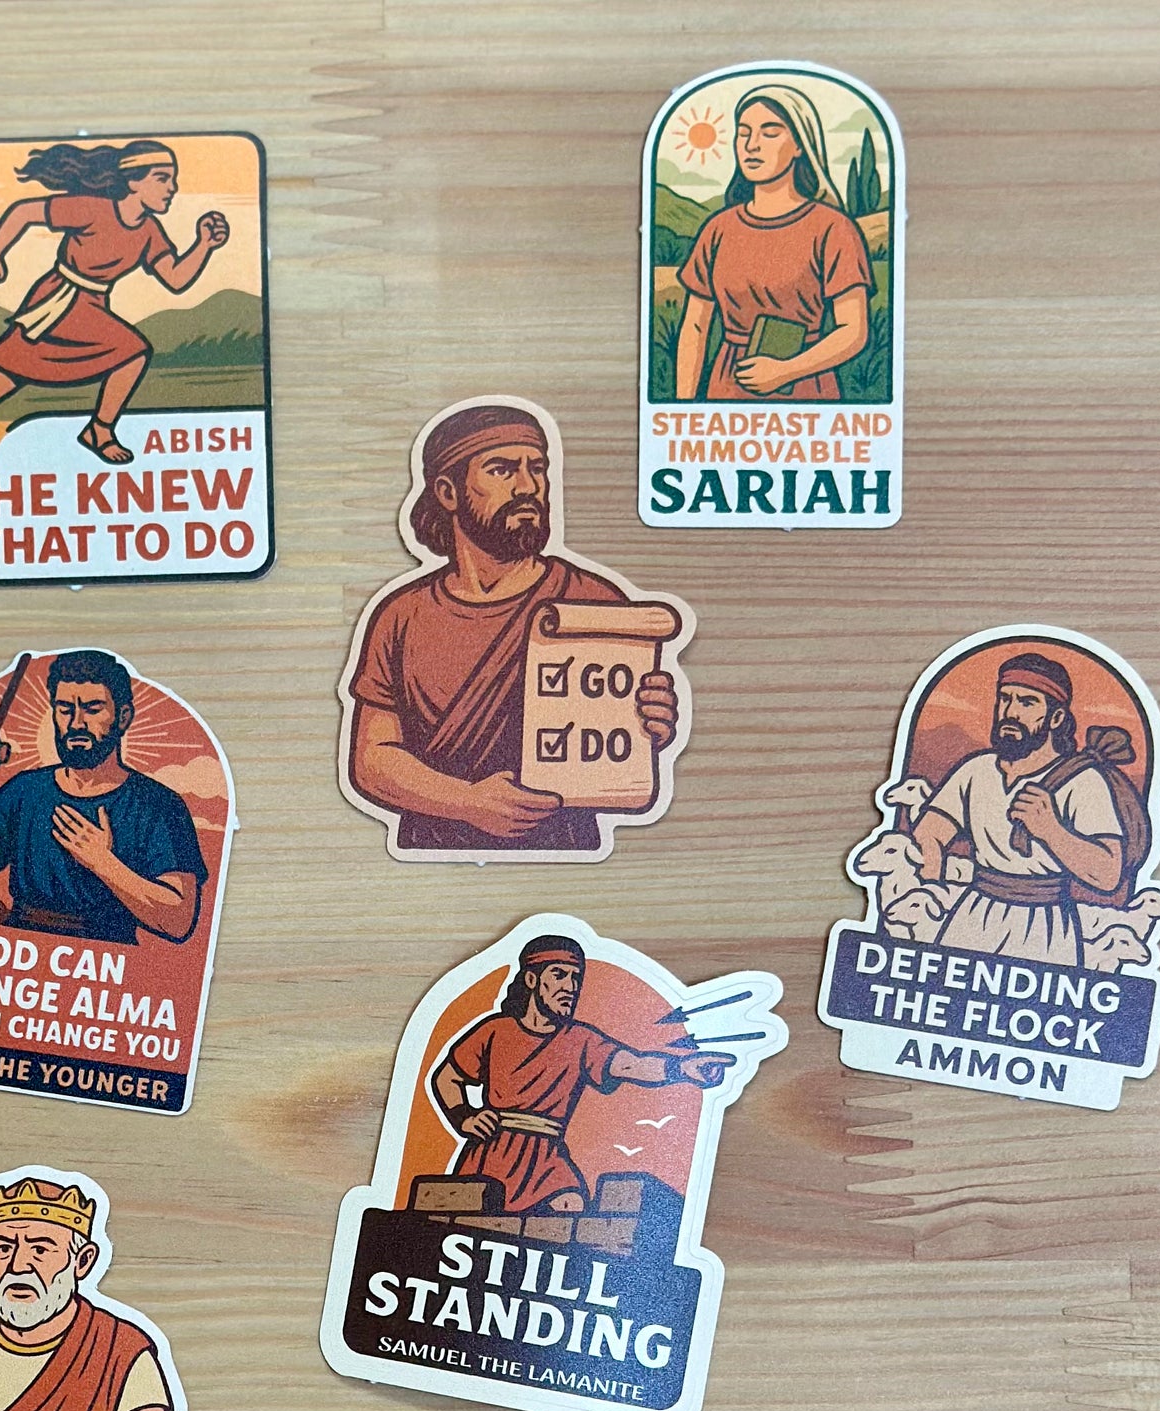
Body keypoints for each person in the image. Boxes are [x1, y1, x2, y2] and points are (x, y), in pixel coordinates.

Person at [346, 404, 678, 853]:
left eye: (536, 469)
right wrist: (467, 802)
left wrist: (648, 725)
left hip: (565, 853)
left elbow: (615, 750)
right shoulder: (402, 614)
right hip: (431, 856)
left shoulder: (591, 602)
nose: (527, 487)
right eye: (502, 470)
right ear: (448, 491)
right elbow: (373, 758)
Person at [0, 139, 230, 466]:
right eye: (162, 178)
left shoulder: (149, 230)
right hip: (59, 299)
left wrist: (204, 245)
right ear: (133, 182)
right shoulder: (93, 209)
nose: (172, 188)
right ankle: (98, 429)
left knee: (18, 369)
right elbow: (24, 212)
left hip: (93, 303)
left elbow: (175, 278)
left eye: (172, 179)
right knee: (129, 353)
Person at [430, 936, 733, 1215]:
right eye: (559, 975)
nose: (570, 987)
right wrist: (464, 1117)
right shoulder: (496, 1031)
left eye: (575, 977)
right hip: (492, 1153)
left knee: (571, 1206)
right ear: (532, 979)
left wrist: (680, 1068)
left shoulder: (580, 1040)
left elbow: (630, 1064)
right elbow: (446, 1078)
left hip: (548, 1159)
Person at [0, 649, 208, 945]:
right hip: (22, 950)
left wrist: (101, 861)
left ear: (123, 717)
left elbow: (178, 920)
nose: (76, 723)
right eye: (65, 709)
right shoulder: (28, 789)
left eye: (92, 709)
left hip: (105, 956)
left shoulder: (159, 805)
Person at [912, 654, 1127, 967]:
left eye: (1027, 703)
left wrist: (1051, 830)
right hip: (973, 914)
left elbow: (1109, 875)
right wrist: (931, 887)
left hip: (1044, 925)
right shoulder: (977, 770)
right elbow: (929, 833)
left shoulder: (1083, 781)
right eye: (1005, 699)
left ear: (1055, 718)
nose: (1010, 712)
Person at [674, 85, 876, 401]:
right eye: (743, 133)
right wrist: (682, 410)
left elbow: (853, 331)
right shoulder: (718, 229)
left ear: (799, 145)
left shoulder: (832, 228)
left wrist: (784, 371)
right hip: (725, 394)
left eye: (769, 133)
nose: (751, 145)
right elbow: (695, 328)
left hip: (808, 394)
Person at [0, 1178, 171, 1411]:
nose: (17, 1266)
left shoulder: (121, 1350)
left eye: (40, 1249)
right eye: (4, 1248)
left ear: (82, 1261)